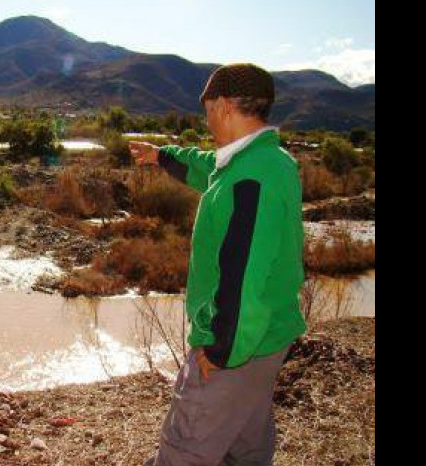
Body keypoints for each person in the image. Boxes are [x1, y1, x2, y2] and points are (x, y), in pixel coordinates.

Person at [131, 63, 307, 466]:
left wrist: (221, 348)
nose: (206, 119)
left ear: (225, 106)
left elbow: (244, 276)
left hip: (236, 346)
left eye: (208, 109)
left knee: (185, 450)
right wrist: (162, 157)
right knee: (245, 446)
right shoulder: (267, 161)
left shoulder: (251, 180)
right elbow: (210, 168)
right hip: (267, 341)